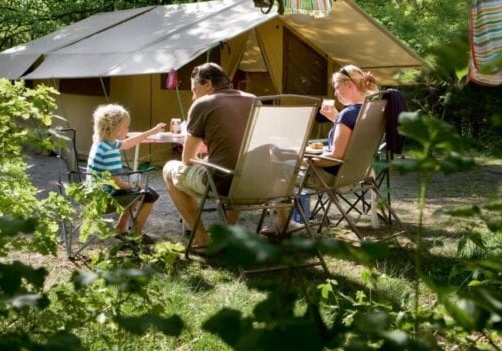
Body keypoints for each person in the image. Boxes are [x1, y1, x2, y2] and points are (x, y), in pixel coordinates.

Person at [262, 64, 379, 236]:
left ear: (350, 85)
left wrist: (304, 160)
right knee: (285, 156)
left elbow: (335, 156)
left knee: (274, 166)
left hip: (330, 176)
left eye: (337, 87)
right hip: (357, 174)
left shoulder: (348, 114)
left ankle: (282, 223)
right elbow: (352, 144)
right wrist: (336, 119)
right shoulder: (369, 110)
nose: (336, 93)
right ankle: (292, 219)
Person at [162, 63, 256, 251]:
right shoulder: (253, 99)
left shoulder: (203, 104)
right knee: (239, 167)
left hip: (222, 183)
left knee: (169, 169)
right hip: (257, 181)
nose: (193, 96)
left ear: (208, 85)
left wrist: (204, 160)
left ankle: (202, 238)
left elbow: (187, 159)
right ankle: (227, 233)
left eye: (194, 89)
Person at [87, 104, 165, 243]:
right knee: (149, 194)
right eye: (126, 126)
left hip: (93, 193)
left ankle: (121, 228)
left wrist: (151, 132)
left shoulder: (102, 143)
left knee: (136, 191)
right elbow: (117, 183)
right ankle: (137, 235)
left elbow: (127, 144)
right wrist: (135, 186)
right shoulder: (110, 151)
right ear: (115, 128)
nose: (128, 129)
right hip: (105, 199)